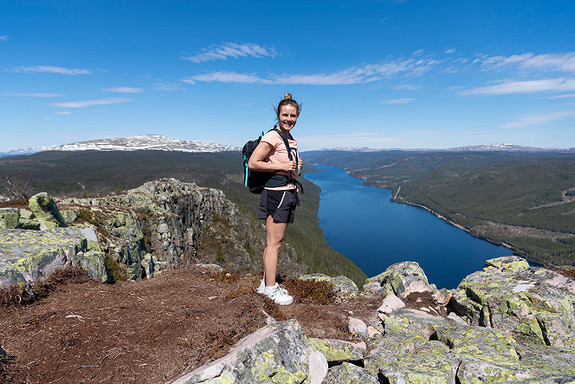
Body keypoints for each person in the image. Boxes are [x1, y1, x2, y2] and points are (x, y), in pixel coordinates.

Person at [248, 93, 303, 305]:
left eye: (293, 115)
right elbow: (254, 162)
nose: (289, 119)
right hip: (277, 194)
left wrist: (296, 169)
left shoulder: (290, 139)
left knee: (274, 243)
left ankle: (265, 283)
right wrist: (281, 166)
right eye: (285, 115)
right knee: (274, 244)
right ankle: (270, 290)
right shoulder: (273, 136)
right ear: (278, 115)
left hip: (286, 192)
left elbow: (289, 170)